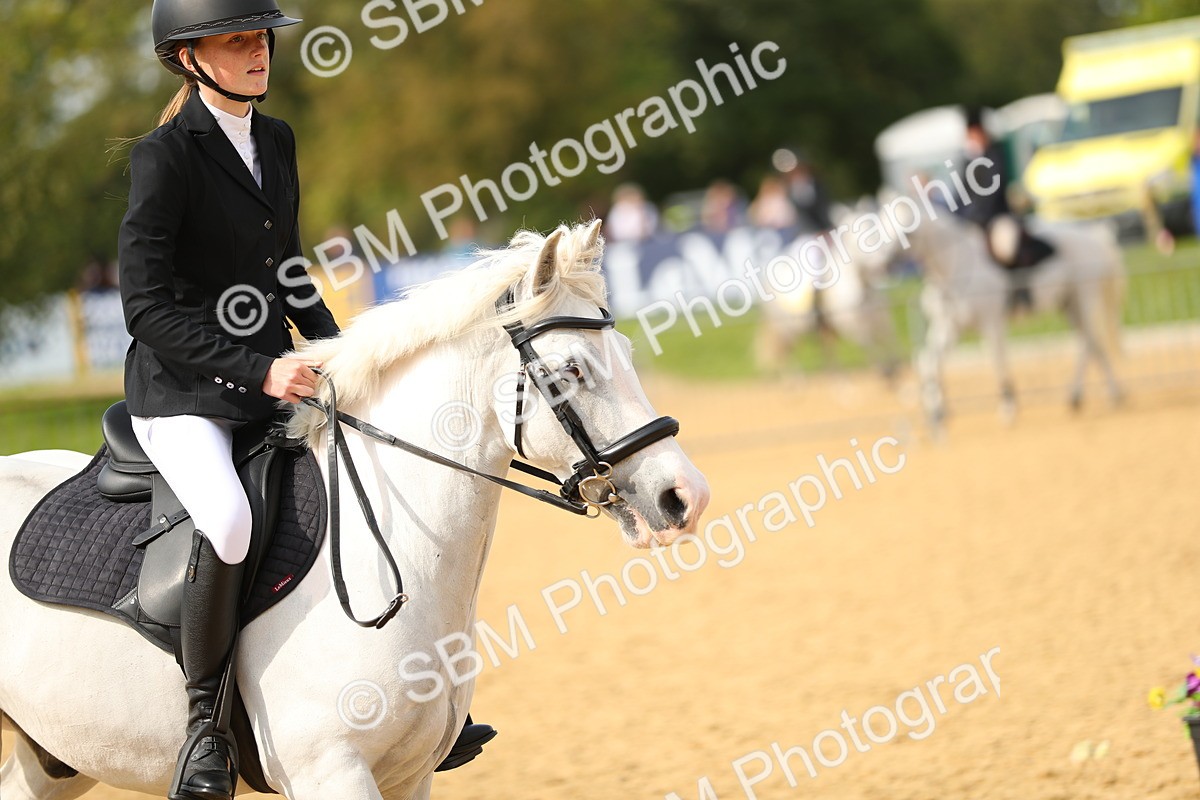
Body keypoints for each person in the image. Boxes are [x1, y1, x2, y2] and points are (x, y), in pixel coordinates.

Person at [120, 3, 492, 797]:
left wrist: (340, 353)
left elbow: (287, 269)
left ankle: (426, 707)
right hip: (180, 393)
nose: (259, 53)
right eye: (238, 41)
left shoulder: (276, 138)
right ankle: (203, 731)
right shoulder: (164, 158)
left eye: (262, 38)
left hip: (267, 374)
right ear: (189, 58)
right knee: (227, 518)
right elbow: (146, 308)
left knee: (372, 474)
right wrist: (259, 370)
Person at [958, 106, 1054, 310]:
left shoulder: (995, 154)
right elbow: (961, 193)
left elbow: (994, 190)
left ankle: (1020, 292)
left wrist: (980, 215)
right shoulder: (966, 160)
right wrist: (964, 216)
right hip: (974, 221)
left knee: (1007, 247)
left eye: (975, 132)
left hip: (997, 217)